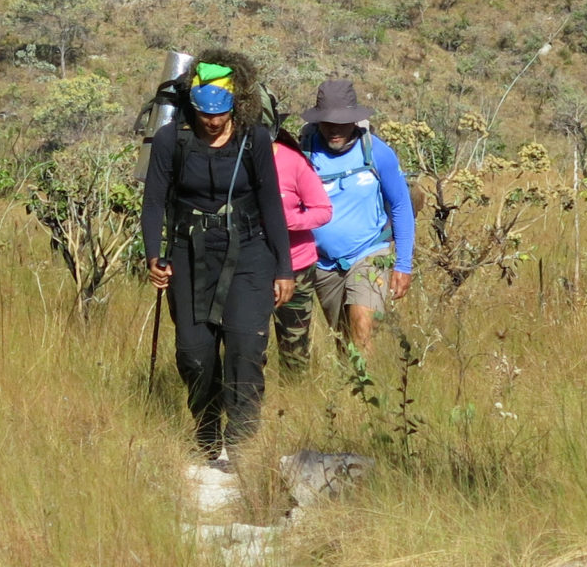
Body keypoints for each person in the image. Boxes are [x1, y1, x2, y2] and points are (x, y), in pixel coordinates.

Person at [139, 49, 296, 461]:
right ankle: (206, 428)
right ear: (191, 105)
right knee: (194, 353)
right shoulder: (172, 140)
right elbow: (154, 201)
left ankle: (243, 441)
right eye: (204, 113)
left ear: (236, 106)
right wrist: (153, 255)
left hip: (250, 253)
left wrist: (284, 267)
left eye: (220, 113)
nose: (212, 121)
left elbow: (270, 204)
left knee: (246, 347)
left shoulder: (255, 138)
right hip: (187, 253)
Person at [296, 78, 414, 348]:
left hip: (369, 252)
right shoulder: (305, 153)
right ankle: (349, 389)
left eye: (341, 123)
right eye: (327, 123)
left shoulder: (377, 153)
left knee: (362, 329)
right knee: (343, 340)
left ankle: (366, 388)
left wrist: (403, 264)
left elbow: (401, 206)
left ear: (353, 120)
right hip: (323, 264)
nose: (334, 131)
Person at [271, 111, 334, 370]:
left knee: (294, 349)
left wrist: (288, 221)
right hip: (250, 265)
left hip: (297, 265)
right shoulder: (234, 160)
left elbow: (322, 209)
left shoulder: (293, 161)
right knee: (248, 345)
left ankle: (294, 397)